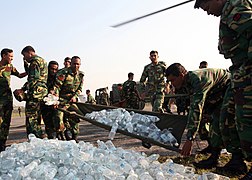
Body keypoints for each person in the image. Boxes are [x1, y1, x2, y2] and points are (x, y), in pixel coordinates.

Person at [194, 0, 252, 178]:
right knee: (227, 118)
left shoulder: (235, 6)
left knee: (247, 120)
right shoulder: (227, 12)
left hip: (247, 71)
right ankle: (237, 161)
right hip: (239, 73)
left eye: (207, 7)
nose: (208, 12)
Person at [166, 63, 230, 169]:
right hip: (214, 92)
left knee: (217, 120)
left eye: (173, 80)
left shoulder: (197, 80)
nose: (172, 84)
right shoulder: (185, 82)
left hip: (227, 87)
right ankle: (211, 145)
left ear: (181, 75)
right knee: (202, 119)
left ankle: (215, 157)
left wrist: (189, 139)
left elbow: (196, 108)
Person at [0, 48, 27, 151]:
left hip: (7, 97)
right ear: (3, 56)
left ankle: (3, 142)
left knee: (6, 121)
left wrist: (28, 72)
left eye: (12, 56)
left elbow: (19, 75)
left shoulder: (10, 67)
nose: (12, 58)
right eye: (10, 56)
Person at [53, 56, 84, 142]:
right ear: (71, 64)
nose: (76, 66)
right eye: (74, 64)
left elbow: (79, 89)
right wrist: (55, 100)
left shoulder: (81, 75)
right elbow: (57, 87)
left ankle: (74, 136)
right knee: (58, 118)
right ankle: (61, 137)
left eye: (78, 64)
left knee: (76, 117)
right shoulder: (63, 73)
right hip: (62, 100)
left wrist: (75, 96)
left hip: (72, 101)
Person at [20, 46, 48, 138]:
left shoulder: (34, 62)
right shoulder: (42, 60)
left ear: (29, 53)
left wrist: (23, 90)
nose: (25, 58)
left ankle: (34, 138)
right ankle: (38, 136)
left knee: (31, 118)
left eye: (24, 55)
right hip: (42, 92)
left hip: (35, 93)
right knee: (37, 117)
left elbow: (33, 80)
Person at [41, 61, 59, 139]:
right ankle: (51, 138)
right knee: (48, 124)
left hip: (56, 104)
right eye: (52, 69)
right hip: (45, 104)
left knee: (57, 123)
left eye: (55, 69)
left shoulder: (58, 78)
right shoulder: (43, 77)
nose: (53, 71)